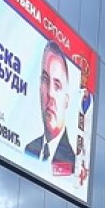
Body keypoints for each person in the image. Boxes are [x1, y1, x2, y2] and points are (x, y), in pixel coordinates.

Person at [24, 41, 76, 173]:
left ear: (66, 101)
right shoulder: (29, 150)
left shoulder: (72, 166)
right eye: (45, 81)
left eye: (57, 86)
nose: (50, 94)